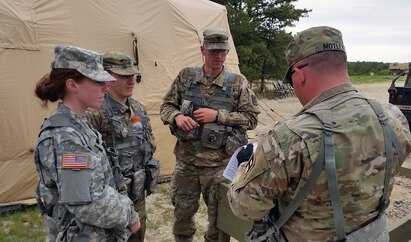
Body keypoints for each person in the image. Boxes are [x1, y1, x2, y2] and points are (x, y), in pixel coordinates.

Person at [228, 26, 411, 242]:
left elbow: (245, 207)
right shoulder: (393, 117)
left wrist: (243, 167)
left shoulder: (290, 136)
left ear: (299, 74)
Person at [160, 27, 260, 242]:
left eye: (222, 52)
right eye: (213, 51)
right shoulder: (186, 76)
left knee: (218, 221)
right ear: (202, 50)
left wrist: (218, 115)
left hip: (219, 167)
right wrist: (176, 116)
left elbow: (251, 119)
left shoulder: (237, 83)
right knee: (182, 216)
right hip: (186, 163)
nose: (218, 56)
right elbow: (166, 106)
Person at [34, 45, 141, 242]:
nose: (106, 87)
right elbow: (88, 201)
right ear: (72, 85)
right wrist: (129, 214)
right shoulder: (64, 136)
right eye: (98, 81)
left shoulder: (80, 124)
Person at [86, 51, 159, 242]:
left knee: (137, 236)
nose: (131, 80)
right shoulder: (95, 113)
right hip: (110, 199)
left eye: (133, 75)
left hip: (136, 194)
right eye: (124, 76)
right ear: (107, 76)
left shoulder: (137, 109)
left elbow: (145, 142)